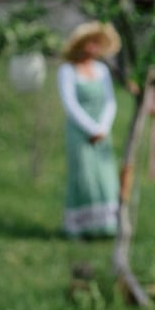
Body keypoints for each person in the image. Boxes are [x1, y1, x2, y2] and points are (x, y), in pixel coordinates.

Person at [58, 21, 122, 239]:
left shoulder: (101, 70)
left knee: (104, 175)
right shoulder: (68, 70)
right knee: (84, 176)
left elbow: (110, 102)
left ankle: (105, 226)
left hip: (102, 132)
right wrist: (90, 128)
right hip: (80, 131)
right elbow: (70, 104)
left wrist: (103, 127)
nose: (93, 47)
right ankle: (80, 227)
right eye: (90, 43)